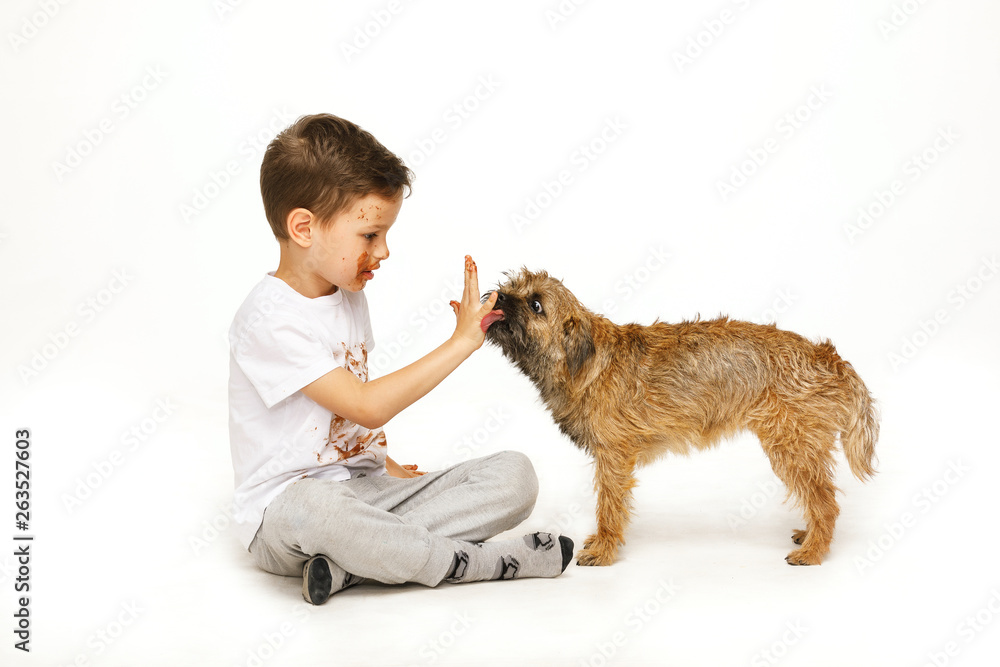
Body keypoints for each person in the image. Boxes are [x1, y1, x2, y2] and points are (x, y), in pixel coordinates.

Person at [227, 113, 573, 604]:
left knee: (515, 475)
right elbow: (364, 405)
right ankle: (486, 563)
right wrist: (461, 342)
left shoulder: (347, 297)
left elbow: (340, 425)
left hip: (365, 493)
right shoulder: (269, 318)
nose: (384, 250)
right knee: (321, 511)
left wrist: (386, 466)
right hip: (287, 514)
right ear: (304, 227)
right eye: (369, 235)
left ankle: (351, 568)